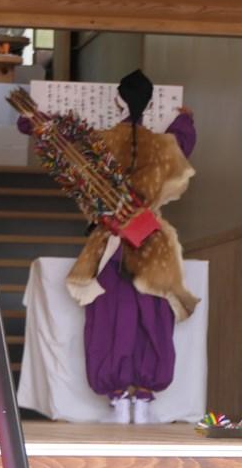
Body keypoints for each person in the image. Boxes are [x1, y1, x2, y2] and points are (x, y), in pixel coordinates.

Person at [18, 70, 199, 424]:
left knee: (110, 316)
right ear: (151, 103)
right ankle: (143, 398)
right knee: (152, 316)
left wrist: (32, 118)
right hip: (152, 239)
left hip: (108, 240)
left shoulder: (98, 144)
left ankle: (118, 398)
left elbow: (53, 138)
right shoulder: (166, 145)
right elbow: (184, 138)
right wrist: (185, 118)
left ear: (117, 100)